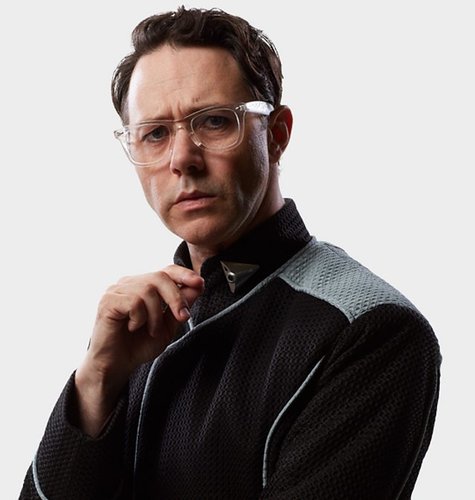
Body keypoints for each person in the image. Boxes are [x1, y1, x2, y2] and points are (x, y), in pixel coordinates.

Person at [20, 6, 441, 500]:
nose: (182, 159)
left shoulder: (369, 329)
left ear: (277, 134)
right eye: (155, 133)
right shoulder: (133, 330)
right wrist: (94, 383)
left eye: (215, 122)